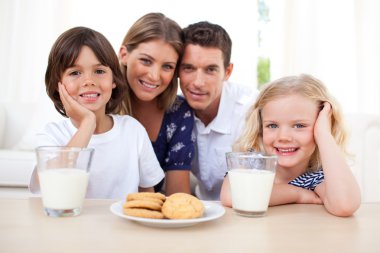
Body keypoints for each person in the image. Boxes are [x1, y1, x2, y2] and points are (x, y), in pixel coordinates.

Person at [29, 26, 164, 199]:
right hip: (70, 225)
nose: (89, 81)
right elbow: (51, 183)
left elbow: (148, 194)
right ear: (58, 84)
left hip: (121, 226)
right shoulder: (52, 134)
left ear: (114, 80)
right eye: (75, 72)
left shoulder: (133, 130)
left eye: (99, 71)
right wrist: (87, 123)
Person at [220, 74, 361, 217]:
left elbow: (345, 205)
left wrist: (324, 134)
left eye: (299, 125)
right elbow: (232, 196)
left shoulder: (317, 175)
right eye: (272, 125)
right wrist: (296, 193)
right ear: (260, 128)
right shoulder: (254, 161)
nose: (283, 137)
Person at [179, 21, 258, 200]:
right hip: (202, 210)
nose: (198, 82)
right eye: (188, 68)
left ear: (227, 72)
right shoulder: (175, 110)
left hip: (246, 210)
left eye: (210, 70)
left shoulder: (251, 111)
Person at [118, 13, 195, 195]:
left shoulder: (179, 112)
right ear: (124, 55)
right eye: (146, 61)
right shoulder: (102, 103)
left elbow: (178, 198)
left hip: (148, 215)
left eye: (167, 66)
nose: (154, 75)